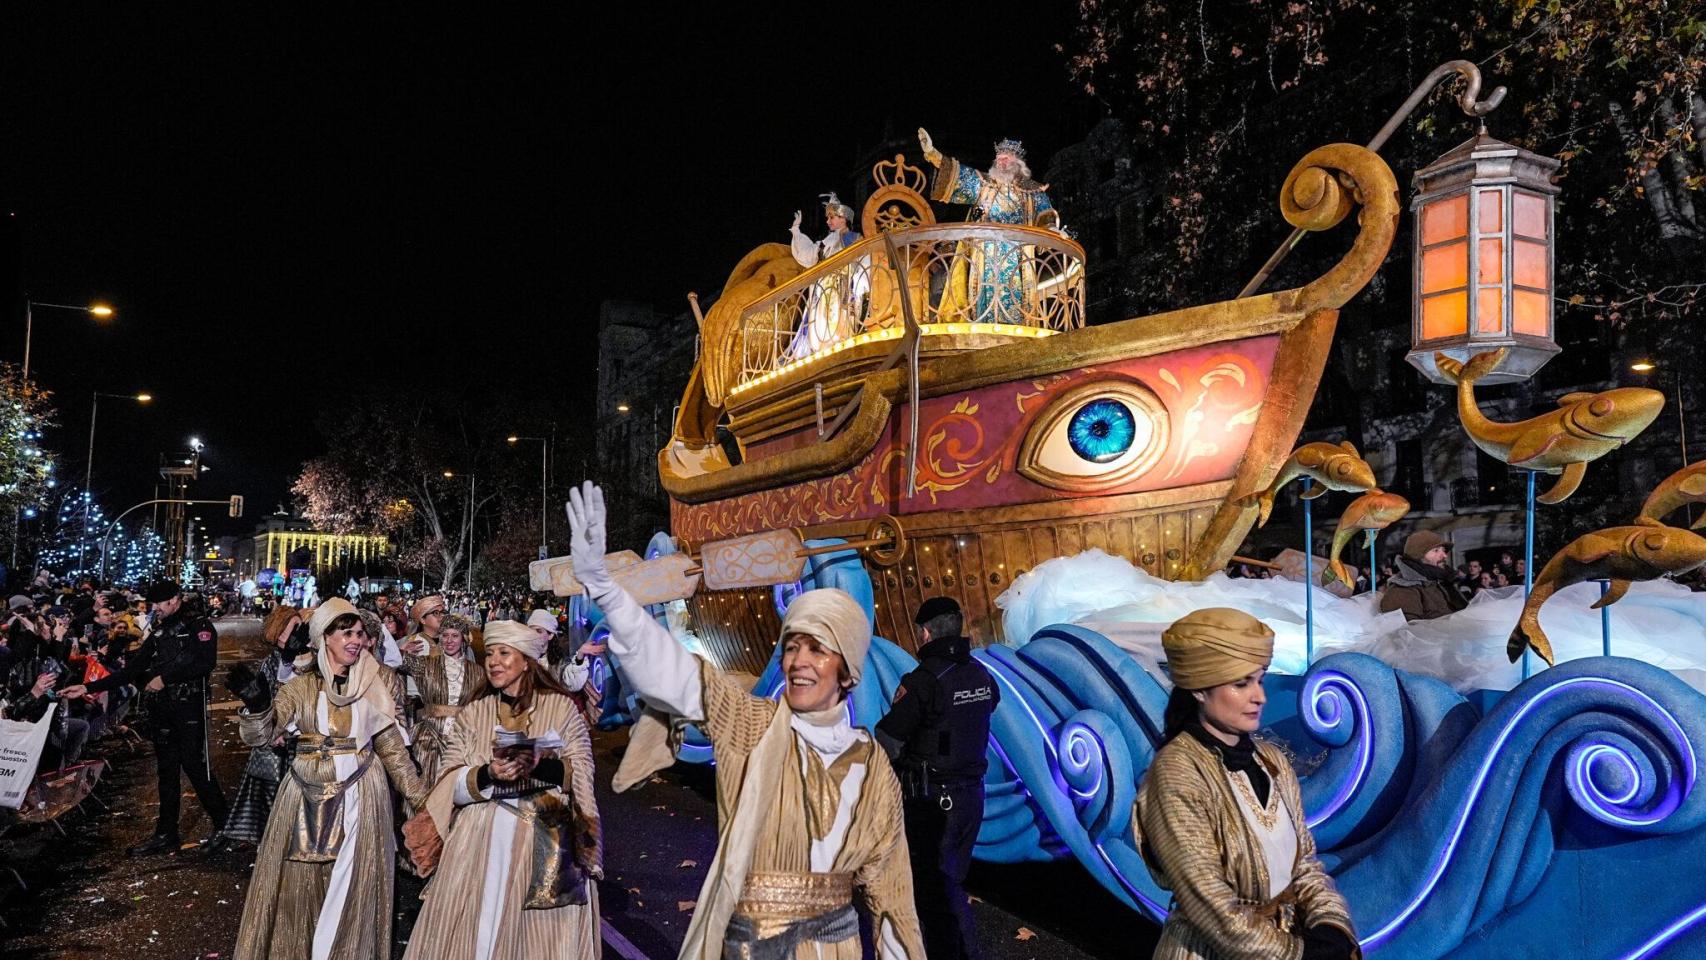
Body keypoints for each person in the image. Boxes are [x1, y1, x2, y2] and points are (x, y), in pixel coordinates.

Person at [566, 481, 924, 959]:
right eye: (791, 645)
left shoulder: (873, 765)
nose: (796, 661)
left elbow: (892, 897)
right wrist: (607, 591)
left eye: (816, 648)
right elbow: (678, 677)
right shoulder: (753, 725)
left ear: (848, 671)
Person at [1134, 608, 1359, 959]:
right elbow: (1208, 904)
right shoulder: (1176, 773)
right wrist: (1297, 955)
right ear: (1199, 690)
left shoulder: (1272, 762)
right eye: (1241, 684)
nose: (1260, 697)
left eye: (1261, 679)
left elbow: (1304, 863)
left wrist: (1330, 925)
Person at [229, 598, 428, 960]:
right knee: (300, 890)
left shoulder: (378, 681)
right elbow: (262, 735)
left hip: (362, 800)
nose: (357, 640)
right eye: (346, 633)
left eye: (359, 633)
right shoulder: (302, 686)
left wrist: (425, 803)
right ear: (323, 638)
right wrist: (257, 708)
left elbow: (394, 752)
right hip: (304, 797)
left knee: (353, 888)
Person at [400, 619, 601, 960]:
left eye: (504, 653)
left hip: (544, 839)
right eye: (490, 653)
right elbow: (448, 783)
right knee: (477, 934)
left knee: (537, 941)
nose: (493, 661)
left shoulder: (562, 708)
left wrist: (539, 764)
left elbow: (581, 772)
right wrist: (488, 773)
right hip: (479, 842)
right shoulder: (473, 713)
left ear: (526, 660)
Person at [875, 596, 999, 960]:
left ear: (926, 633)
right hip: (970, 799)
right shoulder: (980, 674)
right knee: (950, 883)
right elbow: (986, 707)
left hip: (932, 802)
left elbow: (888, 738)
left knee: (935, 894)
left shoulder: (923, 681)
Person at [65, 579, 229, 854]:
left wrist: (165, 678)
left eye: (159, 603)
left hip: (188, 708)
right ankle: (166, 833)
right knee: (166, 772)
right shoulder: (161, 631)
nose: (155, 608)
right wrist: (88, 687)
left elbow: (205, 662)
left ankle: (224, 825)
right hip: (163, 710)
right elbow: (133, 669)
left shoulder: (198, 626)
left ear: (174, 600)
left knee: (196, 768)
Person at [917, 128, 1058, 325]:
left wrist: (1051, 229)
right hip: (985, 254)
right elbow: (960, 176)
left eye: (1006, 158)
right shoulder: (985, 185)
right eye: (999, 158)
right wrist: (934, 155)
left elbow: (1045, 214)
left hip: (1018, 255)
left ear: (1017, 163)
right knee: (984, 294)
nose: (1001, 162)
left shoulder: (1033, 192)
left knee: (1017, 299)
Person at [210, 605, 311, 853]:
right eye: (291, 629)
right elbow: (272, 697)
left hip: (304, 741)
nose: (298, 633)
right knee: (271, 802)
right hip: (276, 745)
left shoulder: (316, 657)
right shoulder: (273, 661)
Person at [400, 612, 489, 789]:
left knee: (457, 790)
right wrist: (402, 651)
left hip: (463, 739)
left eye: (454, 636)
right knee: (427, 790)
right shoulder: (425, 664)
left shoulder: (478, 672)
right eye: (445, 635)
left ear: (463, 639)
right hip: (429, 737)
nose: (449, 640)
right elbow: (386, 664)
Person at [784, 193, 868, 360]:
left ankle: (840, 348)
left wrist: (859, 285)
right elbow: (809, 255)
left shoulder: (855, 239)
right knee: (822, 323)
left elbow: (864, 263)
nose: (828, 221)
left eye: (832, 217)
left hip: (843, 286)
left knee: (839, 321)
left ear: (843, 218)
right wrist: (796, 231)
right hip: (823, 288)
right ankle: (823, 351)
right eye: (827, 217)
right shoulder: (826, 242)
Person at [1378, 531, 1467, 622]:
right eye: (1436, 550)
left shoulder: (1439, 583)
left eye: (1443, 550)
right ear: (1417, 557)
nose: (1444, 556)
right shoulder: (1402, 591)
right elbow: (1407, 633)